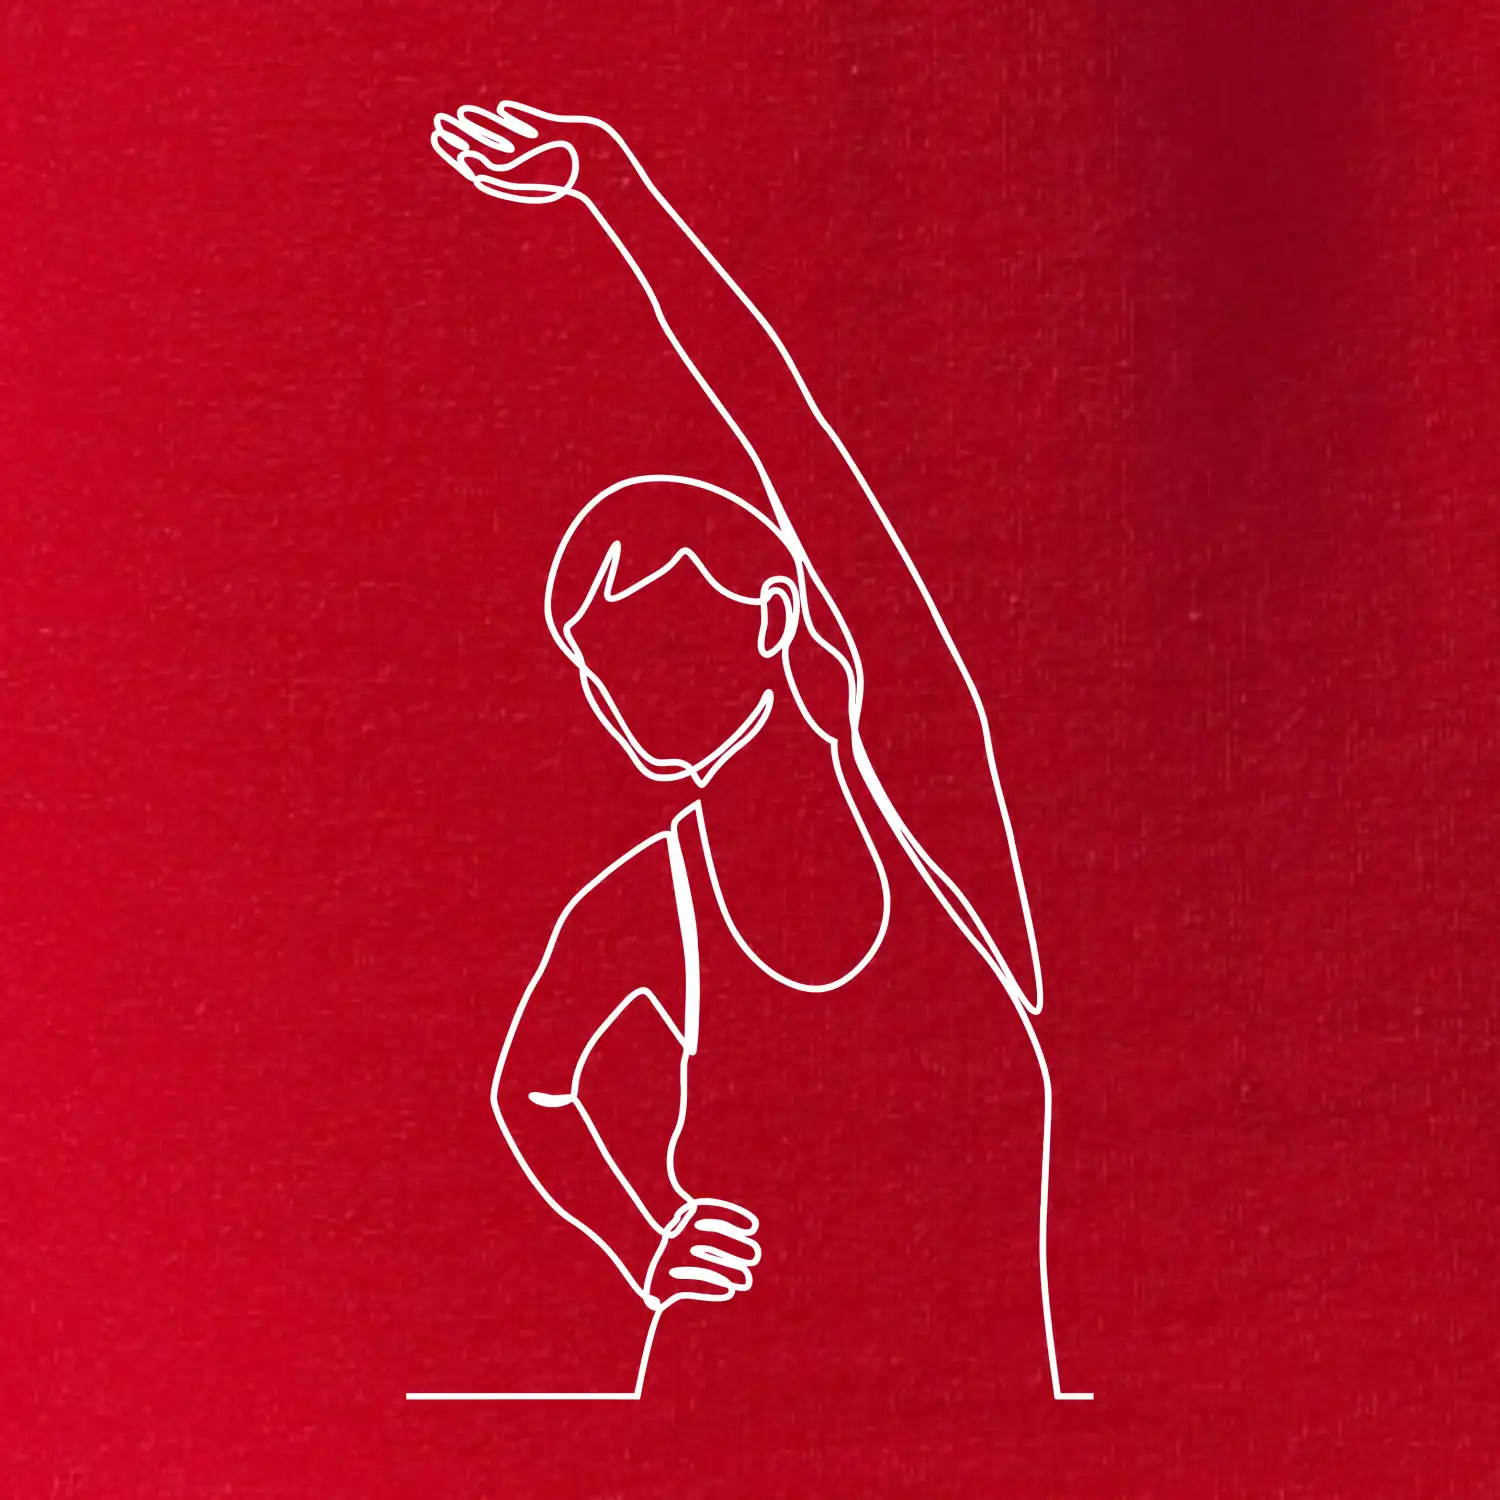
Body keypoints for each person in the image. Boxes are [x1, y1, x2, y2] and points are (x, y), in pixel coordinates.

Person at [430, 99, 1090, 1401]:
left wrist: (614, 190)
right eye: (598, 663)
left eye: (653, 641)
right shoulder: (650, 906)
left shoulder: (928, 796)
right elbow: (531, 1091)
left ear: (777, 615)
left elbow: (797, 450)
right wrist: (644, 1244)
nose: (620, 692)